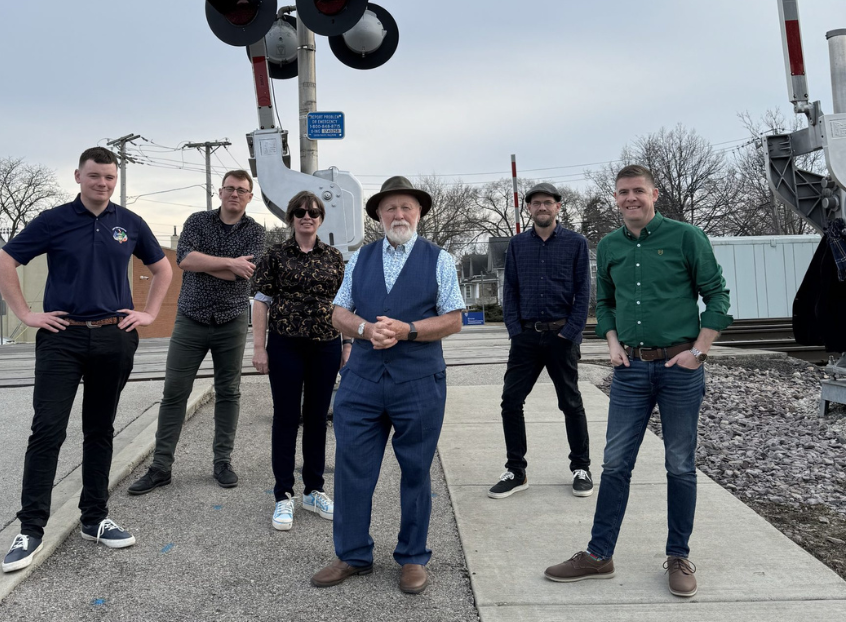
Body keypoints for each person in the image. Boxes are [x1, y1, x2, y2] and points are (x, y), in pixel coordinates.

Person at [545, 164, 732, 598]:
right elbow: (606, 301)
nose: (631, 198)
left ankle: (678, 555)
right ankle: (598, 555)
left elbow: (717, 296)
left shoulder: (687, 237)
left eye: (638, 191)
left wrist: (699, 350)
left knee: (680, 465)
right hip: (630, 371)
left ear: (654, 194)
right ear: (616, 198)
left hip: (679, 370)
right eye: (623, 192)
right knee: (615, 465)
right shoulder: (609, 245)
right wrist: (610, 341)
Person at [0, 147, 172, 573]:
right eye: (94, 176)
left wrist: (147, 313)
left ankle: (94, 518)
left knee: (99, 430)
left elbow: (163, 268)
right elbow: (2, 262)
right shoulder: (54, 220)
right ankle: (31, 529)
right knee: (47, 430)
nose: (102, 184)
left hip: (114, 336)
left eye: (109, 178)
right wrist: (26, 314)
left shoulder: (129, 223)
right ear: (78, 176)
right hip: (62, 338)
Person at [310, 176, 465, 595]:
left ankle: (413, 557)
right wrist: (364, 329)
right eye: (391, 208)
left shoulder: (440, 260)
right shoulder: (359, 260)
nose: (399, 214)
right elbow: (339, 311)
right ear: (378, 215)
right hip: (362, 380)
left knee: (415, 469)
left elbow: (453, 318)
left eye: (407, 207)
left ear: (419, 214)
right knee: (352, 467)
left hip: (418, 381)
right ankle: (352, 554)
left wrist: (408, 329)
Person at [128, 170, 265, 495]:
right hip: (190, 319)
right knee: (175, 392)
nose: (235, 194)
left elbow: (245, 277)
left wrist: (219, 265)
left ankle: (222, 463)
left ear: (249, 197)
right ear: (220, 192)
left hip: (231, 321)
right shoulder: (197, 222)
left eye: (241, 190)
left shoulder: (256, 232)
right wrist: (231, 263)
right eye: (230, 188)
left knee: (229, 392)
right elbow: (186, 261)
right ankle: (161, 467)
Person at [250, 191, 350, 531]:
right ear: (291, 217)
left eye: (314, 212)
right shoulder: (275, 255)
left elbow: (344, 305)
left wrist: (347, 344)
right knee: (287, 417)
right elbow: (261, 302)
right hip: (285, 345)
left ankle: (314, 489)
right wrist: (259, 347)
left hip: (326, 345)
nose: (307, 217)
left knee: (317, 418)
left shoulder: (334, 257)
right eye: (300, 212)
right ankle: (283, 494)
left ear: (321, 218)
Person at [488, 182, 592, 500]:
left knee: (570, 403)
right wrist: (514, 330)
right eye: (536, 204)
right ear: (529, 209)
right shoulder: (518, 245)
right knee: (511, 402)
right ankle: (516, 471)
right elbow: (511, 290)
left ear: (558, 207)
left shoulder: (576, 243)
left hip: (562, 336)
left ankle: (582, 468)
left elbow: (583, 291)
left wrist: (570, 332)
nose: (542, 208)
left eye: (548, 202)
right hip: (526, 338)